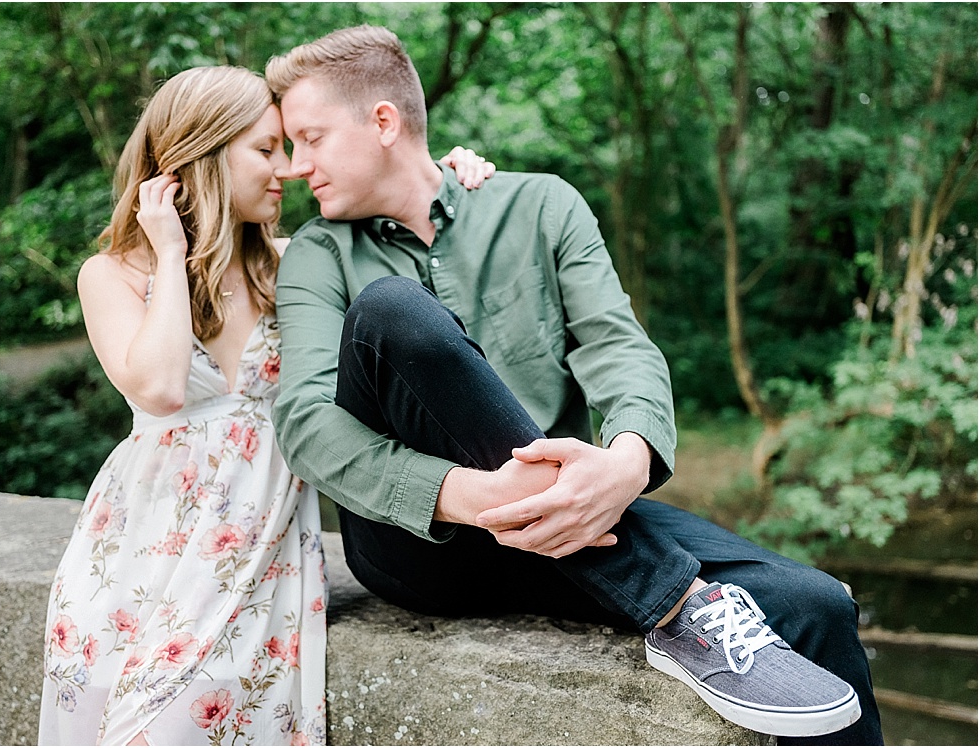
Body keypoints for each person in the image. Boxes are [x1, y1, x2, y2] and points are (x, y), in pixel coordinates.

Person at [265, 25, 883, 745]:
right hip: (415, 545)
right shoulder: (318, 252)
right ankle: (670, 600)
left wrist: (624, 463)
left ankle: (682, 609)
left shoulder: (541, 206)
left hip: (566, 520)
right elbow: (306, 420)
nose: (293, 166)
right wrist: (475, 495)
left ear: (382, 122)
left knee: (815, 605)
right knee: (394, 309)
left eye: (309, 138)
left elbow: (616, 346)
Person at [38, 64, 493, 746]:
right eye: (265, 149)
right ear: (200, 157)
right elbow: (160, 388)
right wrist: (168, 251)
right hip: (134, 564)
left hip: (254, 566)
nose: (287, 169)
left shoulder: (294, 267)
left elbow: (420, 316)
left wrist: (443, 182)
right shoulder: (111, 274)